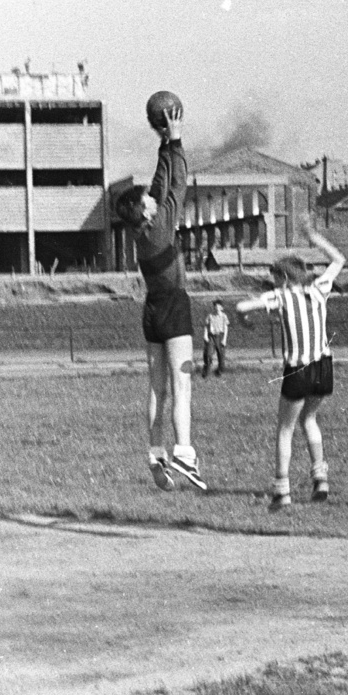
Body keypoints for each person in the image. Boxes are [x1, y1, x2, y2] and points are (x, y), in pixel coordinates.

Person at [115, 102, 205, 491]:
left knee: (157, 388)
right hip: (172, 306)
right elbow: (178, 183)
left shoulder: (142, 231)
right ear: (147, 213)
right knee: (182, 383)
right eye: (148, 201)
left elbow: (159, 184)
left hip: (152, 309)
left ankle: (155, 452)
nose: (153, 197)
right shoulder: (161, 224)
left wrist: (162, 144)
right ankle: (184, 453)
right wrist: (177, 139)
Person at [234, 224, 345, 510]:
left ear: (282, 278)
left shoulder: (281, 296)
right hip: (324, 366)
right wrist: (315, 239)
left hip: (297, 368)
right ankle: (320, 476)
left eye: (274, 279)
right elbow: (338, 261)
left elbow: (242, 308)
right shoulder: (319, 288)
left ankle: (282, 489)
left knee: (285, 428)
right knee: (310, 419)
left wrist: (245, 321)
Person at [200, 300, 230, 378]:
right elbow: (206, 326)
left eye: (219, 306)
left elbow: (226, 328)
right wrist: (205, 335)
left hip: (220, 337)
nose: (217, 308)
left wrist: (224, 339)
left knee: (221, 356)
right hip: (211, 337)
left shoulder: (224, 316)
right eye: (215, 306)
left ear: (222, 308)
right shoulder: (210, 316)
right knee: (208, 354)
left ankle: (219, 371)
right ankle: (206, 372)